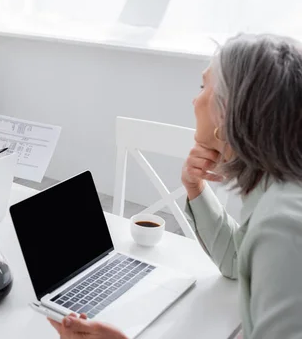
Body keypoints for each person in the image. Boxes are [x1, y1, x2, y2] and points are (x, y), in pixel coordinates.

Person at [50, 33, 302, 339]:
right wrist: (195, 188)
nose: (195, 100)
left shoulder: (281, 225)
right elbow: (236, 260)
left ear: (230, 112)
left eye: (203, 87)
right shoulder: (277, 189)